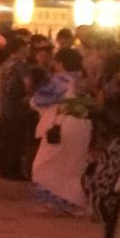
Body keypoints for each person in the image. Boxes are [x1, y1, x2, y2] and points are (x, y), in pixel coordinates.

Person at [30, 47, 92, 215]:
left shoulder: (60, 80)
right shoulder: (83, 80)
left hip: (62, 123)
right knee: (73, 166)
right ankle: (72, 203)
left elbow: (39, 100)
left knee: (44, 163)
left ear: (60, 63)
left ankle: (60, 201)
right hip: (83, 124)